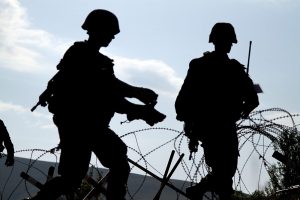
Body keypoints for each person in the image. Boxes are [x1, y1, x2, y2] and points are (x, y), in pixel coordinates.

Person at [28, 9, 165, 200]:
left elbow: (110, 88)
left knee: (115, 163)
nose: (112, 37)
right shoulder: (80, 54)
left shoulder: (100, 61)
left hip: (92, 125)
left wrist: (137, 97)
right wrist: (137, 104)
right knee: (73, 177)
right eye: (110, 32)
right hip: (79, 124)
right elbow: (104, 92)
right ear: (98, 30)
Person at [175, 22, 259, 200]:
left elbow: (253, 99)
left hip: (218, 126)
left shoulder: (214, 66)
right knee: (225, 170)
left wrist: (243, 108)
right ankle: (198, 190)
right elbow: (184, 99)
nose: (228, 44)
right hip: (212, 126)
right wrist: (190, 125)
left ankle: (201, 191)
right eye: (227, 40)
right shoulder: (226, 68)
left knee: (225, 175)